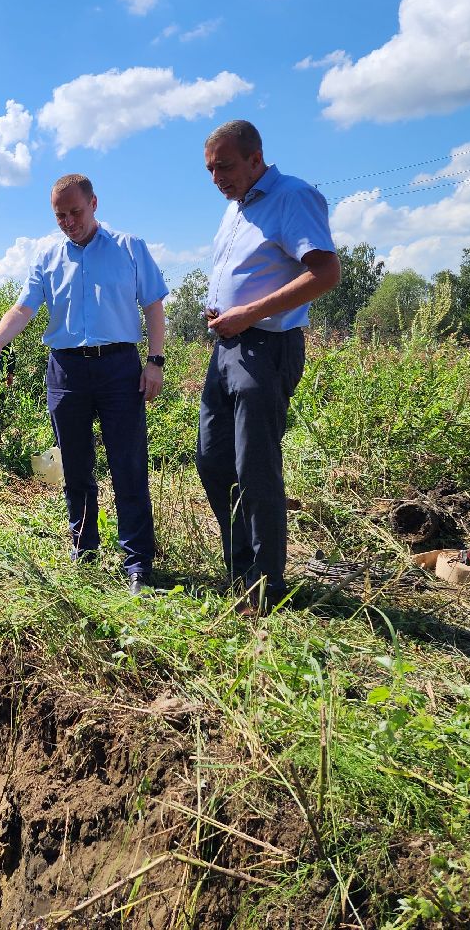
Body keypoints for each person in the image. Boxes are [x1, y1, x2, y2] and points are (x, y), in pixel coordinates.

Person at [0, 174, 168, 594]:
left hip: (119, 367)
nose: (68, 221)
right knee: (76, 466)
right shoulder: (47, 254)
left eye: (75, 212)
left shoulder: (129, 247)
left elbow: (153, 304)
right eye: (60, 215)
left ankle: (137, 561)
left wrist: (154, 361)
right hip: (66, 371)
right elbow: (24, 306)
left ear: (94, 203)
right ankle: (84, 550)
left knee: (127, 465)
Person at [198, 120, 340, 614]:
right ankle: (241, 572)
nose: (218, 177)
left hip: (265, 348)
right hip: (228, 348)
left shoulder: (291, 196)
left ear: (256, 158)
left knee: (255, 468)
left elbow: (326, 273)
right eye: (211, 169)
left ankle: (266, 585)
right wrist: (224, 313)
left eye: (227, 166)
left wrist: (248, 313)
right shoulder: (235, 210)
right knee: (214, 461)